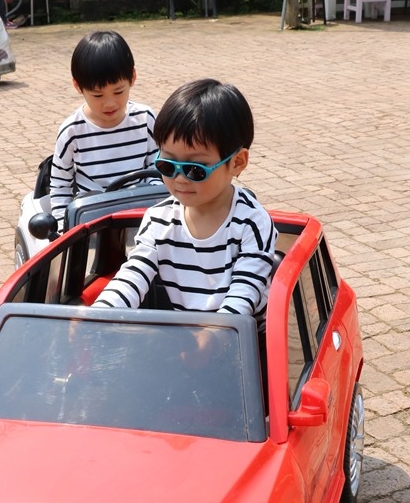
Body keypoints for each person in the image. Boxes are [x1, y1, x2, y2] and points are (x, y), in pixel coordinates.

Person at [94, 78, 277, 326]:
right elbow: (132, 275)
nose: (179, 178)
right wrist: (99, 314)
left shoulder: (251, 223)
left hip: (246, 343)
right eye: (167, 165)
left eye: (195, 169)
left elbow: (245, 293)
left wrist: (217, 331)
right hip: (188, 338)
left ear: (237, 162)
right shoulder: (159, 220)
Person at [49, 30, 157, 232]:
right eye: (97, 95)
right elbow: (60, 186)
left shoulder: (146, 119)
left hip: (143, 220)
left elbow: (157, 168)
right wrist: (66, 231)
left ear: (132, 77)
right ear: (77, 86)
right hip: (93, 225)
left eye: (118, 91)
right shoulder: (72, 131)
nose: (109, 103)